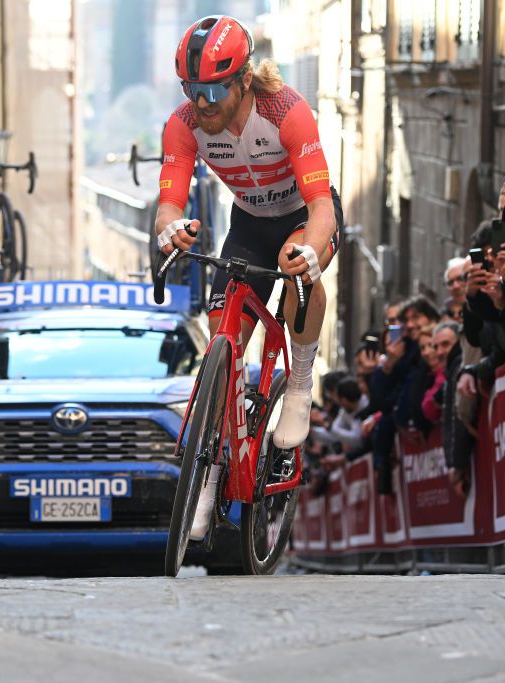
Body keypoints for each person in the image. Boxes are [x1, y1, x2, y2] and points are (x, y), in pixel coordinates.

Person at [156, 15, 342, 538]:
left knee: (295, 269)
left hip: (303, 218)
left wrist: (310, 247)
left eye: (216, 88)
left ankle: (300, 384)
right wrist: (172, 232)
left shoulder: (286, 112)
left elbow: (323, 207)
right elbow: (168, 206)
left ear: (242, 81)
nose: (204, 102)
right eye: (194, 89)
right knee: (223, 333)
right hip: (248, 225)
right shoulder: (183, 124)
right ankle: (211, 469)